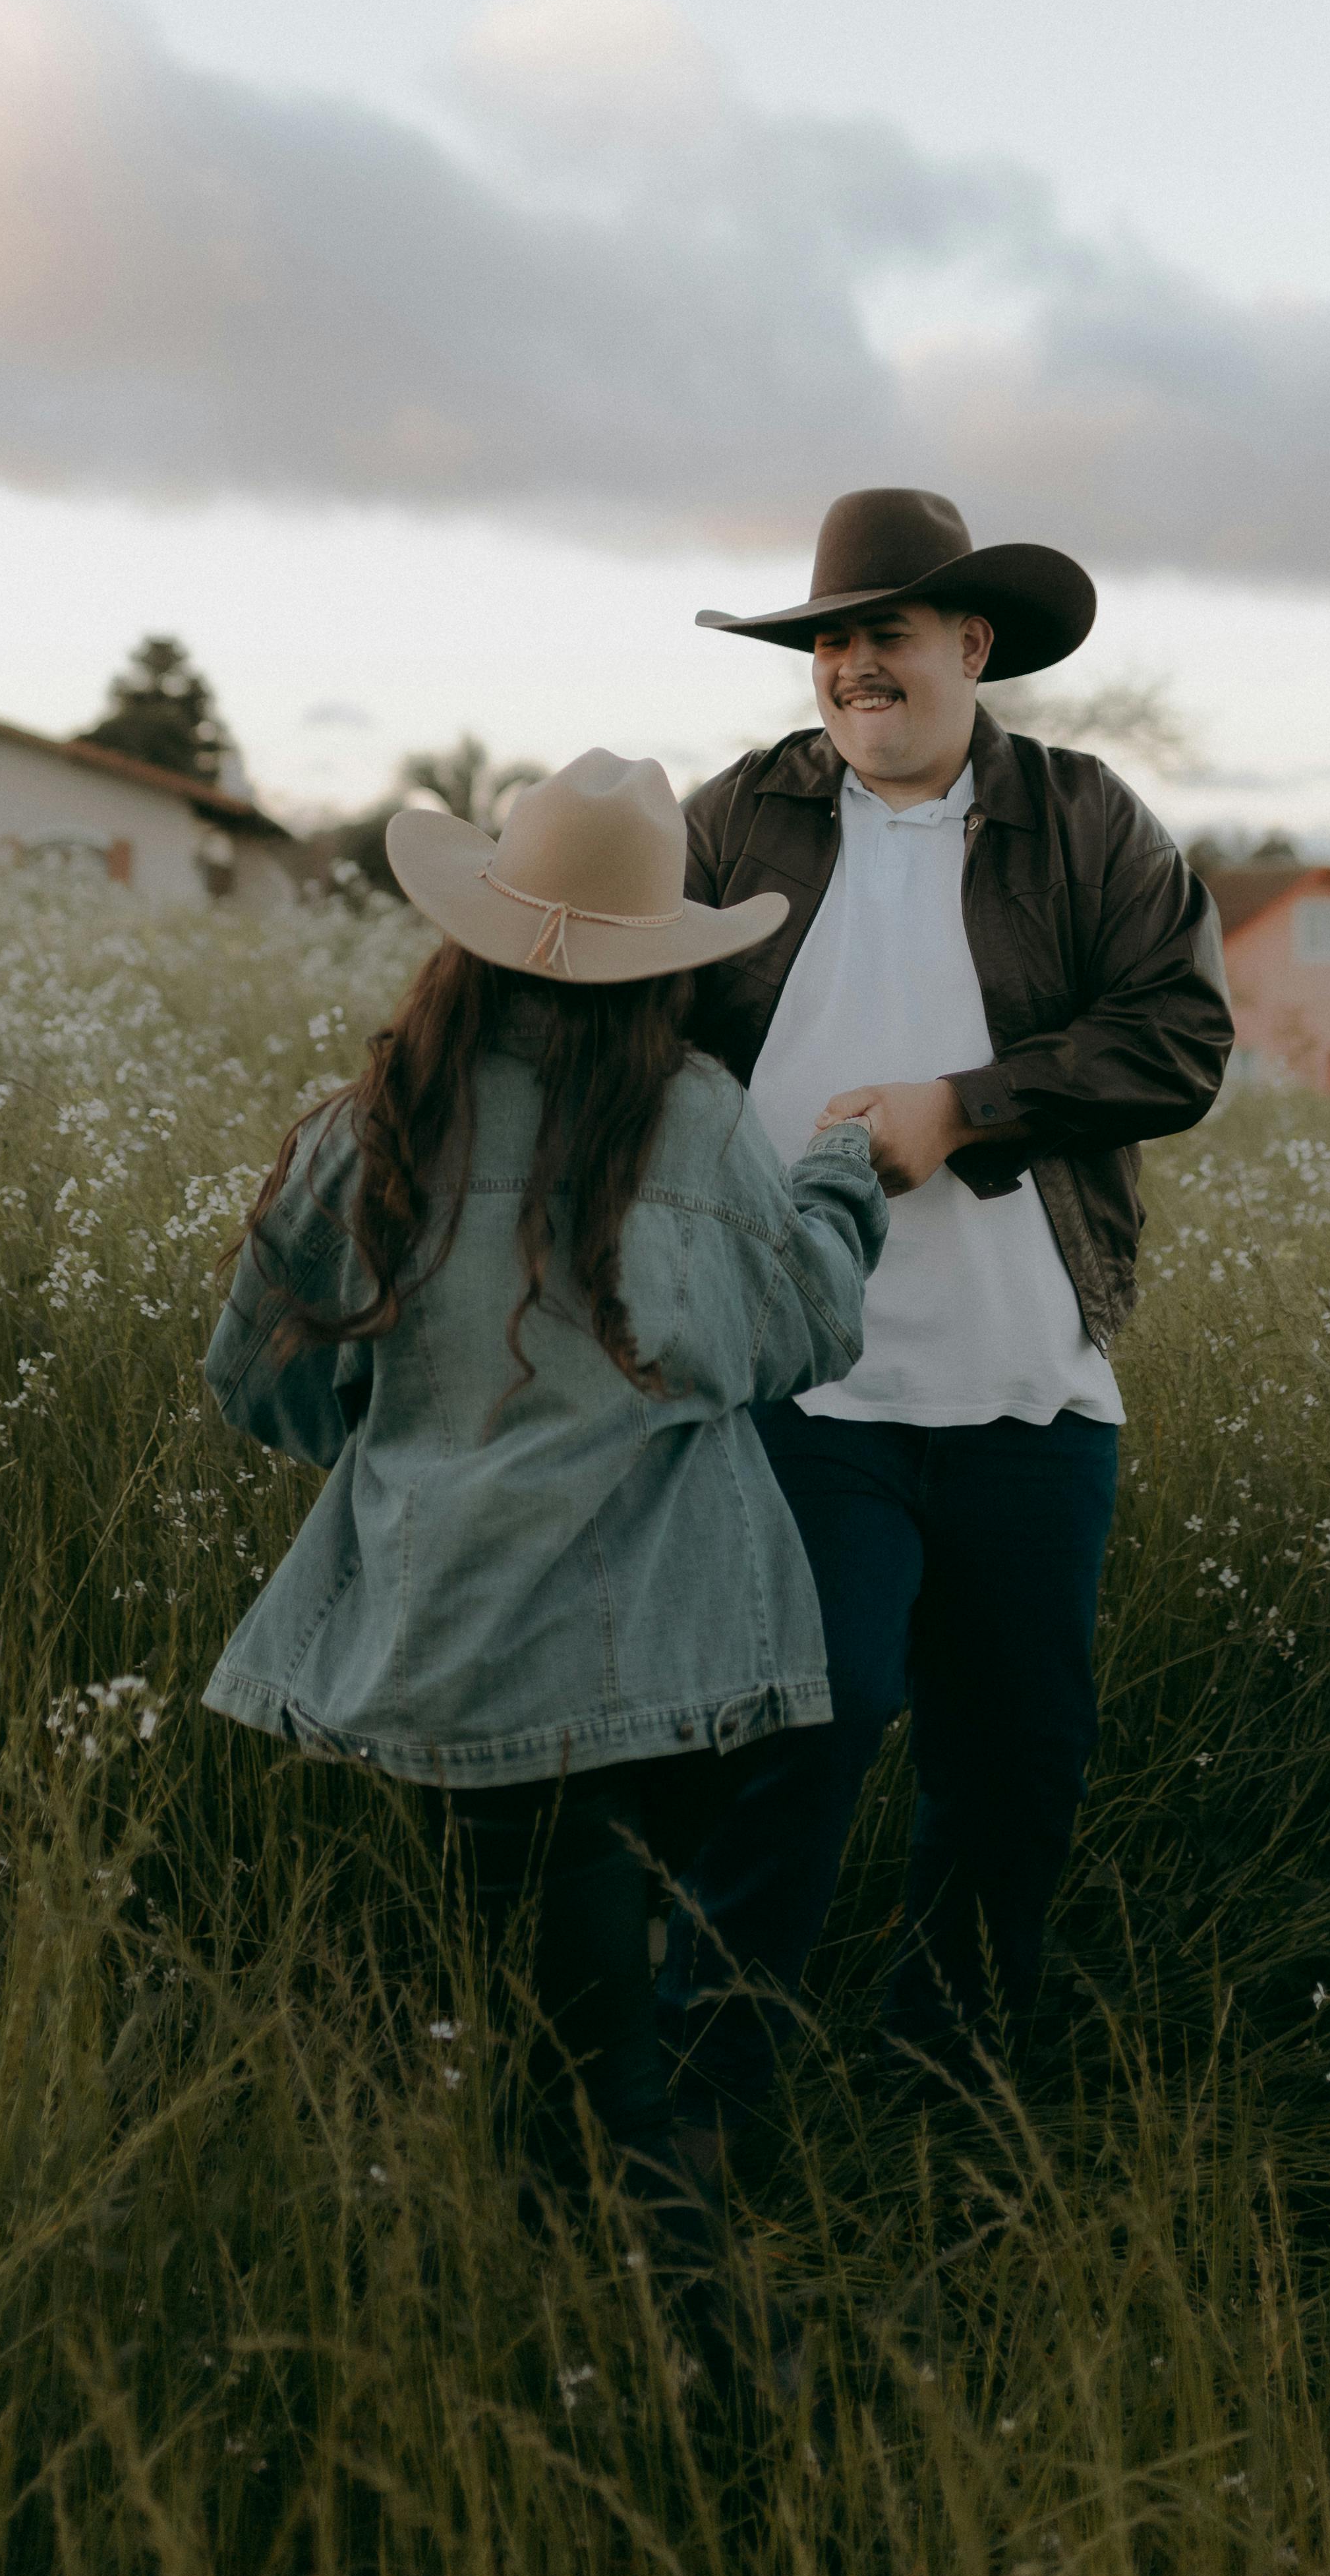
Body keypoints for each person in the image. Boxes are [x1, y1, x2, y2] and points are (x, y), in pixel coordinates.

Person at [201, 747, 888, 2240]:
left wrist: (412, 1459)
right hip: (687, 1667)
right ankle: (683, 2393)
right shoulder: (694, 1119)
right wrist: (843, 1173)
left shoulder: (376, 1121)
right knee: (593, 2077)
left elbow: (253, 1374)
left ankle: (605, 2357)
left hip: (465, 1664)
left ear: (478, 935)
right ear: (659, 965)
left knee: (567, 2064)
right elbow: (797, 1336)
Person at [663, 487, 1232, 2130]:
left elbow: (1180, 1040)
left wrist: (963, 1110)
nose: (850, 668)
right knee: (805, 1736)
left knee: (1014, 1780)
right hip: (801, 1385)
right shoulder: (736, 819)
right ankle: (699, 2127)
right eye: (829, 641)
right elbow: (628, 1025)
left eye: (884, 636)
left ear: (971, 647)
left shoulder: (1085, 820)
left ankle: (947, 2120)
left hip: (1026, 1397)